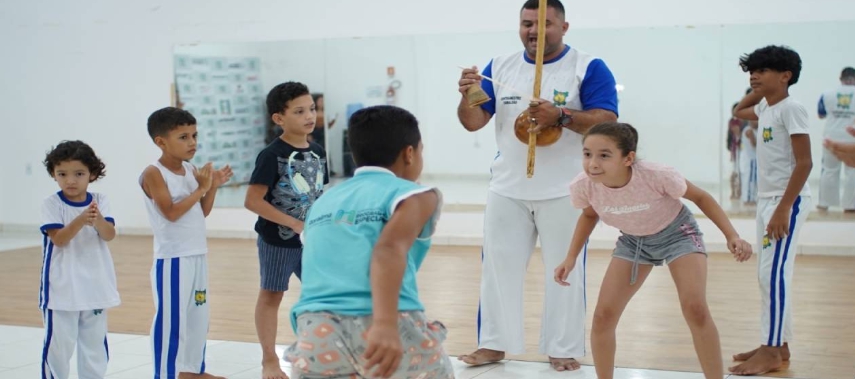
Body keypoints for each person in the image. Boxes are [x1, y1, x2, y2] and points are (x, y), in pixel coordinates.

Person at [456, 0, 618, 371]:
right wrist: (467, 97)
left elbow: (606, 121)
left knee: (564, 271)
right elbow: (473, 121)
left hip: (567, 191)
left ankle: (563, 347)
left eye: (544, 24)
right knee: (497, 269)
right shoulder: (499, 67)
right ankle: (493, 344)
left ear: (564, 27)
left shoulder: (588, 67)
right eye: (527, 23)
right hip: (507, 190)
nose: (534, 31)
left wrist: (560, 116)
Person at [553, 122, 752, 379]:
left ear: (628, 158)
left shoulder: (657, 175)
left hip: (677, 235)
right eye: (587, 153)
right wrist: (570, 258)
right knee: (603, 316)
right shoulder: (584, 185)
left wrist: (732, 235)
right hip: (633, 242)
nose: (593, 163)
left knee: (695, 308)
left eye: (604, 155)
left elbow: (701, 197)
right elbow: (589, 215)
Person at [286, 105, 453, 379]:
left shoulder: (324, 201)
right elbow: (388, 249)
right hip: (388, 322)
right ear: (410, 153)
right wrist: (385, 323)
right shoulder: (415, 194)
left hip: (315, 330)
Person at [730, 45, 813, 376]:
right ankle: (779, 344)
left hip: (785, 201)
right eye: (752, 70)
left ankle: (770, 350)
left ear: (786, 76)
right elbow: (739, 110)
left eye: (762, 70)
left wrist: (784, 208)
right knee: (768, 274)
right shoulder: (767, 107)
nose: (754, 75)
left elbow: (805, 163)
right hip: (770, 201)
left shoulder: (792, 108)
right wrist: (758, 90)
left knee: (772, 275)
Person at [140, 107, 233, 379]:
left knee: (197, 319)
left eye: (194, 135)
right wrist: (201, 188)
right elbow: (170, 212)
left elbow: (200, 210)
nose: (192, 142)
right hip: (173, 259)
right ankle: (165, 373)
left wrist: (212, 186)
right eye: (183, 137)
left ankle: (191, 372)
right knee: (171, 323)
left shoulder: (191, 169)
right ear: (161, 142)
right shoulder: (153, 173)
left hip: (197, 255)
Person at [245, 82, 328, 379]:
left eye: (312, 109)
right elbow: (252, 200)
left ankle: (318, 350)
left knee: (323, 295)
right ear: (279, 118)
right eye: (299, 111)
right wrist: (293, 223)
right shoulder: (271, 154)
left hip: (313, 242)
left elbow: (320, 194)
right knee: (272, 296)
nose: (309, 116)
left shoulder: (318, 151)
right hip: (278, 242)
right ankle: (269, 359)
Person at [39, 140, 120, 379]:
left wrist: (97, 220)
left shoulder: (100, 200)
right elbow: (60, 239)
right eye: (62, 174)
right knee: (59, 348)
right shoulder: (51, 204)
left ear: (92, 174)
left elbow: (109, 235)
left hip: (95, 287)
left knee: (94, 347)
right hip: (61, 290)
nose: (70, 180)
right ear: (53, 174)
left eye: (78, 174)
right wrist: (81, 219)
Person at [817, 67, 855, 212]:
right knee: (852, 172)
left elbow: (821, 114)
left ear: (841, 79)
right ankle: (851, 206)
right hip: (851, 137)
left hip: (830, 136)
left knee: (829, 170)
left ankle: (824, 204)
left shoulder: (827, 94)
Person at [740, 120, 759, 206]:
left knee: (753, 180)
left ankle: (752, 198)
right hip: (751, 160)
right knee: (750, 180)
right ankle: (748, 199)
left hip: (754, 160)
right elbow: (754, 143)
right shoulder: (749, 130)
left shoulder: (756, 130)